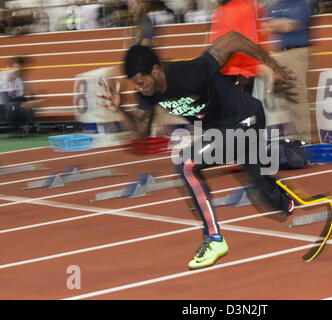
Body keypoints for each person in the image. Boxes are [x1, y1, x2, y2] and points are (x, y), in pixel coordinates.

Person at [97, 31, 296, 269]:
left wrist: (273, 66)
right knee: (271, 203)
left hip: (245, 120)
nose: (139, 88)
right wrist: (120, 110)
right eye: (134, 84)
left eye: (141, 81)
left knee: (186, 164)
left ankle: (213, 239)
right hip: (221, 131)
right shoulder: (147, 94)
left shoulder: (188, 73)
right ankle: (286, 199)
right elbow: (140, 131)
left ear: (156, 70)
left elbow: (233, 39)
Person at [263, 0, 312, 143]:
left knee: (297, 96)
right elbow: (266, 27)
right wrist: (279, 24)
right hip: (277, 55)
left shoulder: (300, 3)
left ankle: (304, 139)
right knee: (282, 97)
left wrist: (276, 24)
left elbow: (288, 26)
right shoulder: (275, 5)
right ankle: (291, 139)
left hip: (296, 53)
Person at [208, 0, 262, 94]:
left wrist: (246, 73)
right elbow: (215, 44)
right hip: (222, 73)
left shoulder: (243, 9)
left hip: (239, 74)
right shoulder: (217, 12)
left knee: (244, 107)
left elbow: (251, 44)